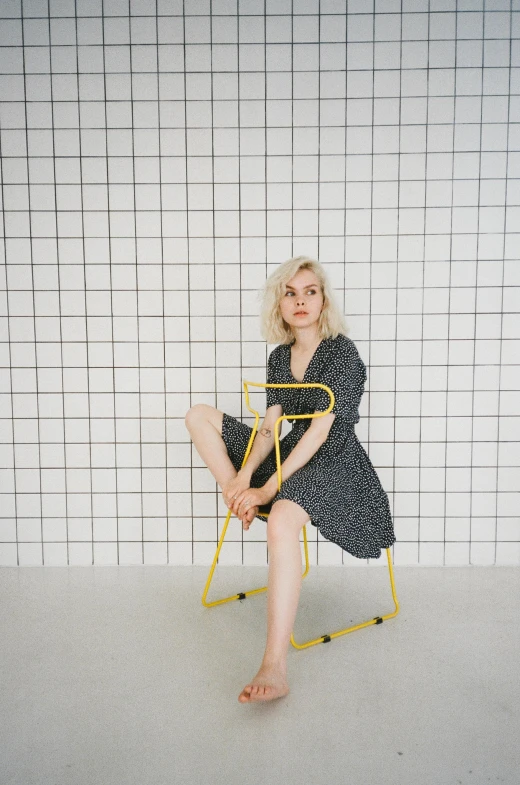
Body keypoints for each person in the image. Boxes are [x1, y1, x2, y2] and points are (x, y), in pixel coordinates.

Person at [185, 256, 396, 704]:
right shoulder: (279, 357)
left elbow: (319, 432)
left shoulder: (342, 352)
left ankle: (274, 666)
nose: (300, 301)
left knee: (280, 518)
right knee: (197, 416)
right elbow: (270, 427)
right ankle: (233, 496)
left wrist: (266, 489)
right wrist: (243, 480)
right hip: (287, 453)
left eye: (310, 292)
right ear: (279, 304)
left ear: (323, 300)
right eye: (290, 293)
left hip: (334, 459)